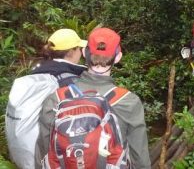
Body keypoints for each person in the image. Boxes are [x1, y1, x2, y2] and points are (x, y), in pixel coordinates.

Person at [35, 27, 151, 169]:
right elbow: (140, 159)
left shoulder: (56, 99)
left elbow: (42, 153)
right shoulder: (128, 102)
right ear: (118, 57)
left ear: (84, 53)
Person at [5, 29, 87, 169]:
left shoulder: (38, 73)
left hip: (26, 155)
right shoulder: (67, 81)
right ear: (71, 51)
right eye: (79, 48)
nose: (81, 52)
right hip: (51, 158)